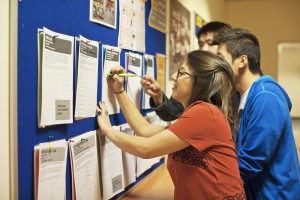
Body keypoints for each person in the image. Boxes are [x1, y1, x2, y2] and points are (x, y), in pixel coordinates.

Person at [96, 50, 245, 199]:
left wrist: (108, 130)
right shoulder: (197, 113)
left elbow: (145, 148)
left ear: (199, 82)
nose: (173, 77)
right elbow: (144, 130)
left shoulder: (205, 112)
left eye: (181, 73)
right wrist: (119, 91)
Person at [213, 28, 300, 199]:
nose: (217, 65)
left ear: (242, 61)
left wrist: (210, 182)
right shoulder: (241, 96)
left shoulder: (265, 96)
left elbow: (250, 161)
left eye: (221, 58)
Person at [141, 21, 232, 121]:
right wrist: (158, 96)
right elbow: (174, 111)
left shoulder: (234, 81)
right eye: (201, 44)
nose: (204, 49)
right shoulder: (197, 78)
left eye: (210, 43)